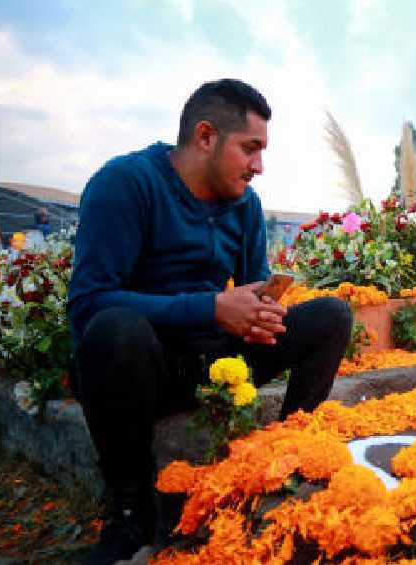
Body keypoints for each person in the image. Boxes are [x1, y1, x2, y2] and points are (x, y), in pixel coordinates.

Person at [68, 79, 353, 563]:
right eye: (251, 149)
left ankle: (281, 458)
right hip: (146, 366)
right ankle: (132, 507)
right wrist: (211, 307)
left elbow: (253, 286)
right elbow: (88, 305)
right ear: (205, 137)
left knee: (331, 315)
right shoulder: (125, 184)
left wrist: (262, 314)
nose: (259, 166)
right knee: (116, 330)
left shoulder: (246, 204)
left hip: (218, 359)